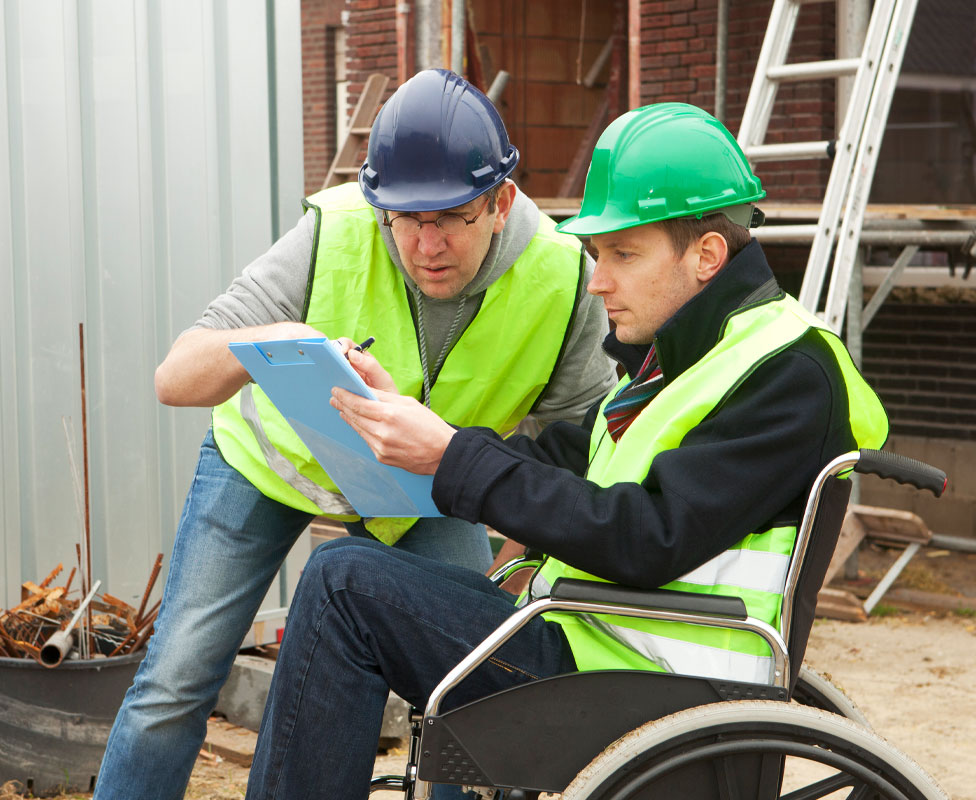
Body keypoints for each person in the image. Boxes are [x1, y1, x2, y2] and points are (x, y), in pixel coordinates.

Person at [242, 102, 889, 800]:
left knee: (344, 584)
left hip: (653, 682)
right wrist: (424, 433)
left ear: (706, 256)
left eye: (623, 254)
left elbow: (649, 537)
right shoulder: (677, 364)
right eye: (596, 255)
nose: (598, 279)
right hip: (595, 647)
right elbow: (554, 463)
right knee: (346, 570)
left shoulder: (788, 373)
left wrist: (451, 457)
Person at [93, 69, 617, 799]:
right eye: (406, 219)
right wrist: (278, 336)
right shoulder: (334, 231)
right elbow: (173, 378)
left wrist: (519, 559)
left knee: (477, 683)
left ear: (500, 203)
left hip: (426, 494)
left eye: (453, 217)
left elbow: (583, 451)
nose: (426, 243)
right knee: (176, 680)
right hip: (269, 468)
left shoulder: (563, 279)